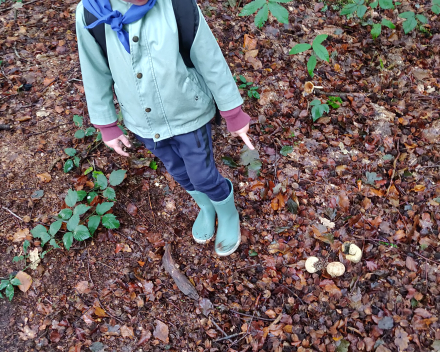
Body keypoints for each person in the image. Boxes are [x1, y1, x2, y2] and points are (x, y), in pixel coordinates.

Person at [75, 0, 255, 256]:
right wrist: (107, 124)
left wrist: (233, 112)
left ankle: (227, 212)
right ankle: (206, 207)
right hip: (143, 121)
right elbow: (94, 70)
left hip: (188, 111)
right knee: (178, 171)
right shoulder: (90, 12)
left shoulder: (177, 4)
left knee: (202, 175)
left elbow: (208, 56)